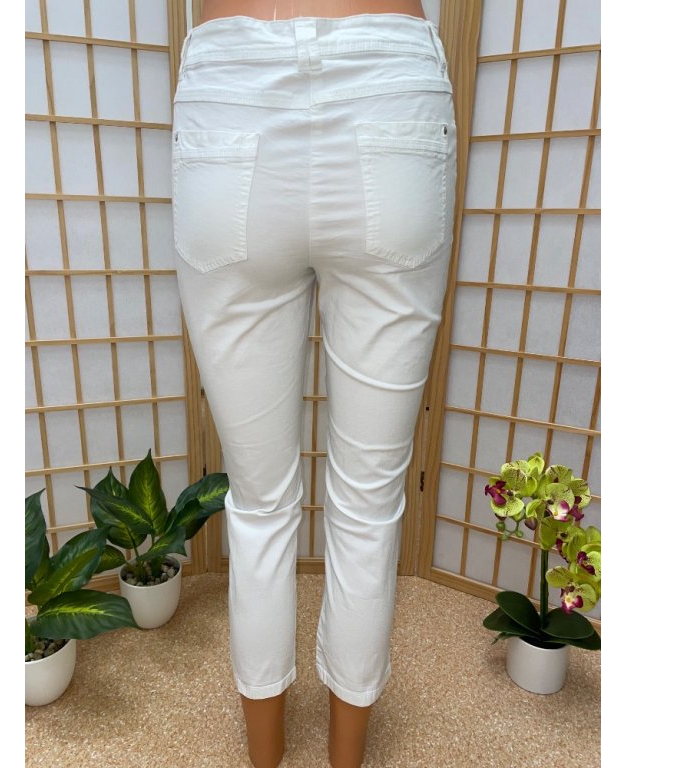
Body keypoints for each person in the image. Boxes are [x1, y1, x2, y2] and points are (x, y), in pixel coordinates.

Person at [171, 2, 456, 765]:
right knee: (368, 504)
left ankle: (265, 757)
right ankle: (345, 759)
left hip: (231, 102)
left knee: (259, 502)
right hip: (389, 93)